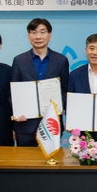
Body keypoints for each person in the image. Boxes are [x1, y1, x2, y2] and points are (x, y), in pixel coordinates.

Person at [11, 18, 69, 146]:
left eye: (42, 32)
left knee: (51, 158)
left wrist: (58, 107)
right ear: (29, 36)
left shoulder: (61, 60)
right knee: (25, 158)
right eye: (34, 32)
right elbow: (13, 92)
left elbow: (65, 91)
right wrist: (16, 112)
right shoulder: (19, 61)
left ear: (49, 35)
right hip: (25, 124)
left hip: (52, 123)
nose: (38, 37)